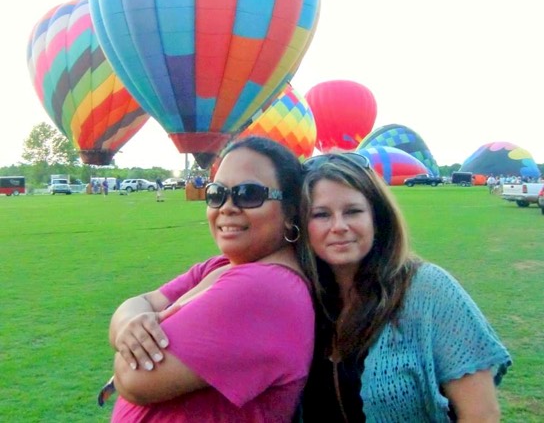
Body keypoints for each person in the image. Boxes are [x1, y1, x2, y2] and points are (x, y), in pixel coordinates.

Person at [101, 136, 314, 422]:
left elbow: (132, 379)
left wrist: (127, 344)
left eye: (248, 194)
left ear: (290, 212)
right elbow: (142, 301)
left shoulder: (265, 288)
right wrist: (131, 326)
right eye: (216, 194)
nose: (227, 207)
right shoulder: (222, 266)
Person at [299, 153, 512, 422]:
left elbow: (482, 414)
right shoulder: (301, 296)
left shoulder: (428, 289)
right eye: (321, 214)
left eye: (353, 211)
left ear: (378, 218)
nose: (339, 226)